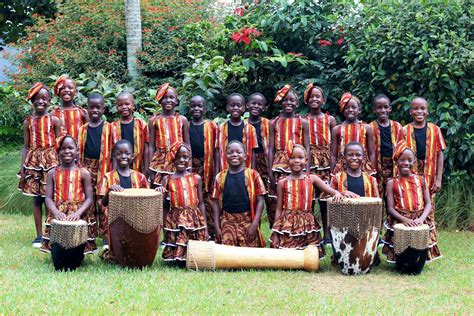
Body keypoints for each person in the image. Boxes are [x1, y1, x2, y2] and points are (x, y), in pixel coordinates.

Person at [270, 142, 347, 257]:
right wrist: (276, 233)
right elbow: (278, 209)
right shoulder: (282, 182)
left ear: (306, 160)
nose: (296, 161)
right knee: (287, 255)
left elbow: (331, 191)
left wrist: (340, 193)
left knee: (311, 254)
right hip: (288, 222)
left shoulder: (312, 179)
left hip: (307, 222)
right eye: (292, 158)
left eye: (300, 158)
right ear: (287, 160)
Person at [382, 141, 441, 262]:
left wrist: (421, 219)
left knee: (419, 248)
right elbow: (390, 208)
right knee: (402, 246)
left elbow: (428, 203)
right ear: (396, 161)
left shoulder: (421, 180)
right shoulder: (391, 183)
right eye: (402, 160)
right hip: (401, 218)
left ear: (414, 161)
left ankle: (418, 261)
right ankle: (402, 261)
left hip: (420, 217)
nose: (406, 163)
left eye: (409, 160)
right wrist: (405, 220)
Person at [18, 83, 61, 248]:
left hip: (51, 160)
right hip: (34, 162)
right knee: (37, 199)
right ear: (32, 101)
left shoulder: (54, 120)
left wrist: (61, 165)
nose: (40, 102)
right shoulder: (27, 122)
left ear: (49, 100)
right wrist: (23, 168)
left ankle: (52, 231)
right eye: (37, 99)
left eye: (44, 98)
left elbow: (59, 143)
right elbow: (26, 147)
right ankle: (39, 235)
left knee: (52, 197)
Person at [41, 135, 97, 254]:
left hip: (78, 212)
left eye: (70, 148)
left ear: (77, 151)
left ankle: (78, 253)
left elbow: (89, 198)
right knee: (60, 246)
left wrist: (78, 213)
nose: (67, 151)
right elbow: (48, 198)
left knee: (77, 243)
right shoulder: (52, 173)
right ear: (58, 151)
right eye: (63, 148)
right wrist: (56, 212)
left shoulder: (84, 173)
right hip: (59, 211)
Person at [156, 142, 208, 264]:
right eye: (178, 157)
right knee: (179, 236)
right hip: (176, 217)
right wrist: (164, 224)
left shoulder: (196, 178)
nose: (182, 160)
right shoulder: (167, 180)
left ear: (189, 159)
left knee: (194, 241)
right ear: (173, 158)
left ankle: (192, 257)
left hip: (193, 215)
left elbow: (200, 203)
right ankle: (178, 258)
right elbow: (164, 206)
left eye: (185, 157)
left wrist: (204, 224)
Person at [267, 84, 310, 228]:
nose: (288, 103)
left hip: (297, 162)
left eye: (292, 100)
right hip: (279, 164)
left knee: (295, 195)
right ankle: (278, 228)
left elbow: (307, 147)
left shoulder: (303, 122)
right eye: (285, 100)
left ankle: (296, 227)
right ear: (280, 101)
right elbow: (271, 149)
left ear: (297, 103)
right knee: (279, 197)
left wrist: (307, 170)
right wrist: (270, 172)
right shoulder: (274, 122)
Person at [98, 139, 149, 256]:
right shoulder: (107, 177)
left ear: (132, 156)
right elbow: (101, 205)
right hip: (115, 220)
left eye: (127, 153)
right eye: (119, 153)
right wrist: (109, 191)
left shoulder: (140, 177)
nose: (123, 156)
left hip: (135, 219)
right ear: (114, 156)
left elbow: (146, 199)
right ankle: (109, 242)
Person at [78, 93, 118, 242]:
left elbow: (115, 152)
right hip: (86, 169)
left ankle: (106, 237)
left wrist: (113, 173)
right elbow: (79, 152)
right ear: (87, 108)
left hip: (105, 169)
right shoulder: (82, 129)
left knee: (103, 203)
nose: (95, 110)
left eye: (98, 107)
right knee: (88, 201)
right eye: (91, 107)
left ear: (103, 109)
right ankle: (89, 234)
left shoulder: (110, 128)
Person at [212, 141, 266, 247]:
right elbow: (215, 202)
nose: (234, 154)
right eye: (230, 152)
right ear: (225, 155)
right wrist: (217, 227)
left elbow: (260, 200)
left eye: (238, 152)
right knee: (226, 256)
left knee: (248, 257)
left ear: (245, 155)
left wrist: (255, 224)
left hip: (247, 220)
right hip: (227, 220)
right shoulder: (220, 177)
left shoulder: (253, 175)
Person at [400, 97, 445, 222]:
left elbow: (440, 153)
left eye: (422, 108)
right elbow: (399, 156)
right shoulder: (404, 130)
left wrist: (438, 179)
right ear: (410, 112)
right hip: (409, 174)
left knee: (429, 204)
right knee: (411, 202)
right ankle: (412, 233)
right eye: (415, 108)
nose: (419, 111)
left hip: (429, 176)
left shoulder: (435, 130)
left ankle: (429, 237)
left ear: (427, 112)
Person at [303, 83, 337, 244]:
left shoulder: (329, 119)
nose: (314, 99)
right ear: (307, 100)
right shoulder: (303, 120)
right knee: (309, 199)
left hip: (325, 161)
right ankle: (309, 232)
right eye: (311, 96)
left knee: (325, 199)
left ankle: (328, 234)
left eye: (317, 96)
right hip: (309, 161)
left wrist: (333, 167)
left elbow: (334, 145)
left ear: (323, 100)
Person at [188, 95, 219, 238]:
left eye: (199, 106)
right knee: (194, 197)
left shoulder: (211, 126)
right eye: (193, 106)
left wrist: (217, 171)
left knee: (208, 198)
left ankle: (211, 230)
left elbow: (216, 151)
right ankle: (194, 228)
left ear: (205, 108)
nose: (196, 109)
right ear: (189, 108)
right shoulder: (186, 125)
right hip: (191, 166)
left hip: (208, 166)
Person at [149, 83, 189, 185]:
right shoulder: (154, 120)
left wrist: (189, 164)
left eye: (171, 97)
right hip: (160, 162)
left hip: (178, 160)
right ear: (160, 100)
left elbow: (187, 144)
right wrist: (150, 167)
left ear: (176, 101)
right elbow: (151, 146)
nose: (168, 100)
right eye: (164, 97)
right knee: (159, 191)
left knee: (177, 187)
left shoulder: (182, 120)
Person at [330, 92, 376, 176]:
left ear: (359, 110)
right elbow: (333, 154)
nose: (350, 110)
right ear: (342, 110)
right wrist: (332, 172)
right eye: (346, 107)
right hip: (342, 167)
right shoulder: (337, 129)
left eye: (354, 107)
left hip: (362, 166)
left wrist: (372, 169)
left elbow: (372, 153)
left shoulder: (367, 128)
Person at [369, 94, 403, 196]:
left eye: (385, 107)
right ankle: (378, 213)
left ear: (390, 109)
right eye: (379, 107)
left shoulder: (397, 127)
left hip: (394, 168)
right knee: (377, 195)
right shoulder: (370, 127)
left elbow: (402, 147)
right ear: (374, 110)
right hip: (377, 167)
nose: (383, 110)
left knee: (393, 196)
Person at [216, 93, 258, 172]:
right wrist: (217, 172)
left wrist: (253, 172)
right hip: (225, 169)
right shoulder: (221, 128)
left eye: (238, 105)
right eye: (232, 105)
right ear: (227, 107)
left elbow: (253, 153)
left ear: (244, 108)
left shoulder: (250, 129)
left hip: (245, 169)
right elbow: (217, 151)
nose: (235, 108)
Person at [111, 92, 149, 173]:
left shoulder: (141, 125)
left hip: (138, 167)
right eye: (120, 105)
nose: (124, 107)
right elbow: (112, 151)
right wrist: (113, 171)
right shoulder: (112, 127)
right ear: (117, 107)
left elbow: (146, 148)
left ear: (133, 106)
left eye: (127, 104)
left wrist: (146, 167)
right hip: (118, 167)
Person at [50, 75, 88, 141]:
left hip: (79, 150)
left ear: (75, 92)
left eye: (70, 88)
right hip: (60, 150)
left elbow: (88, 135)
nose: (66, 90)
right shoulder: (54, 113)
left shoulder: (82, 112)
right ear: (58, 92)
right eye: (62, 88)